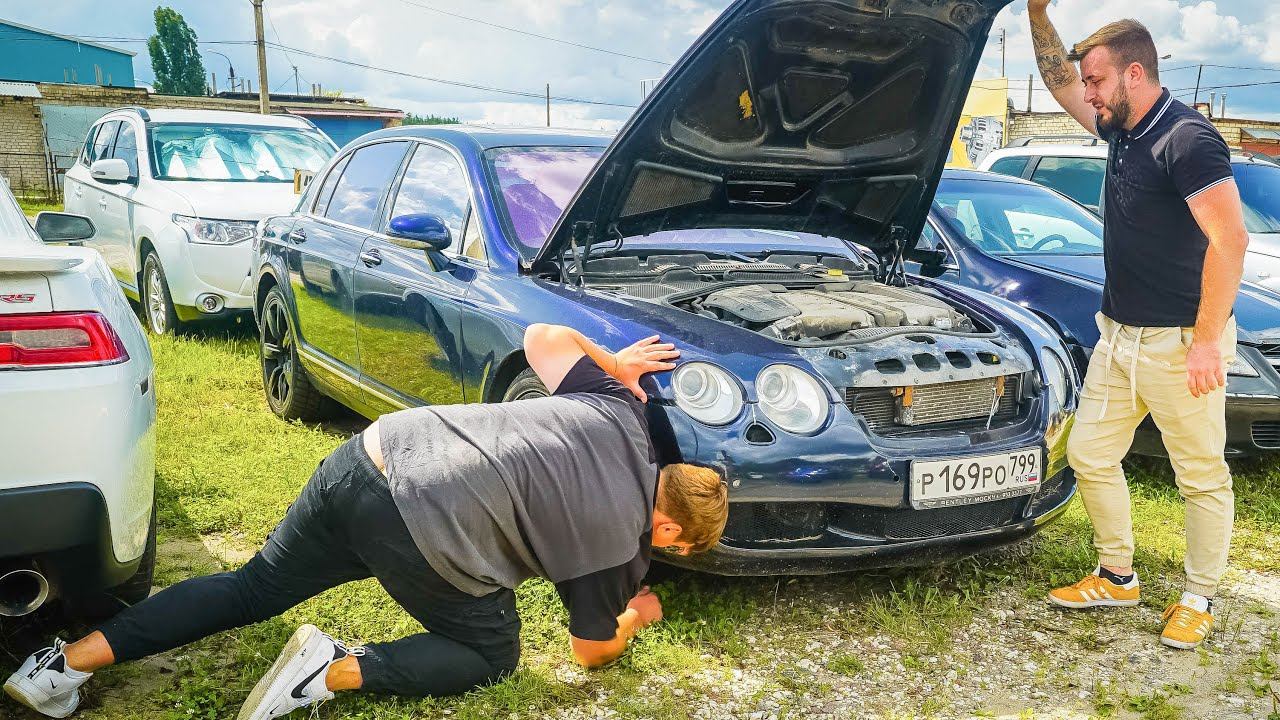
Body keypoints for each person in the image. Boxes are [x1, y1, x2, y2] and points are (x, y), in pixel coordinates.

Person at [4, 324, 729, 719]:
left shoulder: (620, 411)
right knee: (492, 652)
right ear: (670, 532)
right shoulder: (620, 556)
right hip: (421, 524)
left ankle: (57, 668)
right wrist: (637, 615)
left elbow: (544, 338)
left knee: (252, 587)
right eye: (680, 547)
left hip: (372, 455)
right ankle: (335, 670)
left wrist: (620, 365)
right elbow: (589, 652)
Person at [1027, 1, 1250, 649]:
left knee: (1200, 475)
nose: (1087, 93)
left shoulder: (1188, 138)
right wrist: (1039, 12)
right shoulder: (1120, 128)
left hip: (1181, 341)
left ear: (1133, 74)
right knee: (1092, 453)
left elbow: (1230, 241)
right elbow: (1057, 78)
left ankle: (1199, 596)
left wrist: (1208, 340)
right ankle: (1118, 575)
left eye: (1096, 81)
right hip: (1118, 333)